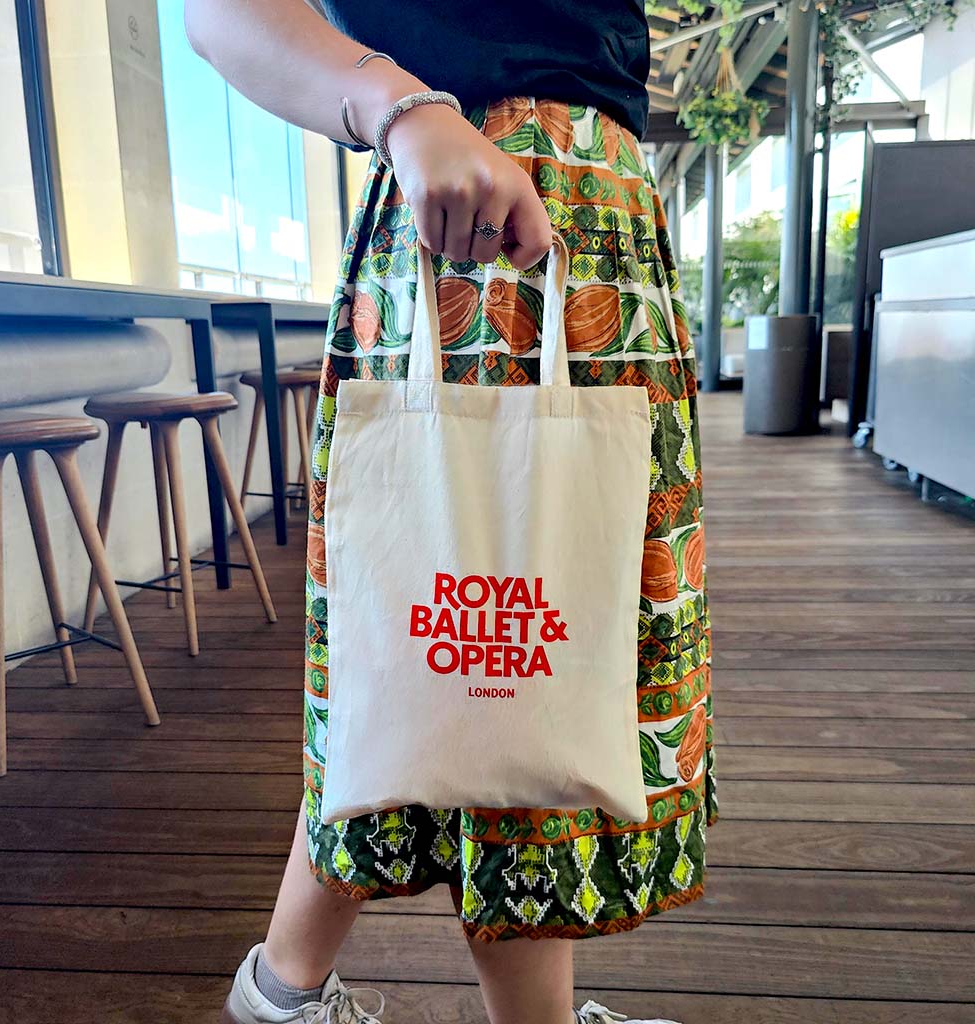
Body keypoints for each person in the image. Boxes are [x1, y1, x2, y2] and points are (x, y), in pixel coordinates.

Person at [184, 3, 718, 1023]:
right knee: (515, 640)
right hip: (485, 201)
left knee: (465, 639)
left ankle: (282, 992)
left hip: (579, 216)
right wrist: (403, 109)